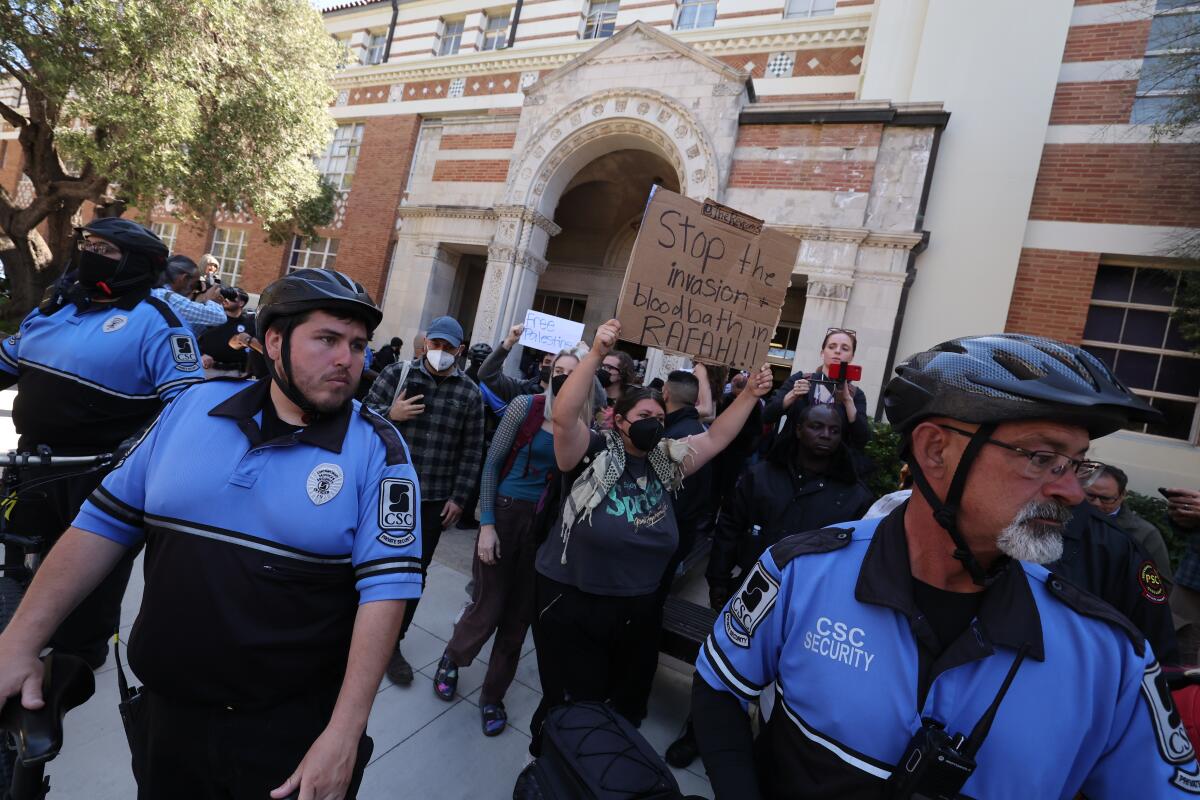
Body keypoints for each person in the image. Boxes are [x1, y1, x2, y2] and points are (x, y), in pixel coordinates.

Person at [692, 334, 1197, 799]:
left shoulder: (1110, 655)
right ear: (935, 450)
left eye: (1078, 463)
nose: (1071, 491)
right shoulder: (801, 572)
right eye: (1043, 457)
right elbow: (719, 685)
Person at [0, 267, 421, 799]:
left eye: (358, 345)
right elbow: (100, 526)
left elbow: (386, 594)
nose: (348, 360)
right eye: (328, 339)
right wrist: (18, 643)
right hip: (166, 717)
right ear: (273, 340)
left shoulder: (380, 450)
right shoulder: (191, 409)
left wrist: (344, 733)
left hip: (288, 736)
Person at [527, 318, 773, 754]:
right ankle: (551, 763)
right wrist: (597, 354)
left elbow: (716, 436)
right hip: (571, 599)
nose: (655, 424)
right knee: (568, 700)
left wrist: (751, 394)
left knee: (603, 699)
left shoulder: (666, 463)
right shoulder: (591, 452)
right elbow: (564, 415)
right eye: (644, 417)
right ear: (618, 421)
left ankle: (587, 766)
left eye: (660, 417)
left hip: (632, 607)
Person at [0, 218, 203, 669]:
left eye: (105, 250)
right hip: (33, 464)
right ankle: (21, 639)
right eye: (88, 244)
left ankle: (78, 657)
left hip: (103, 474)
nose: (90, 254)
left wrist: (135, 450)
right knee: (22, 556)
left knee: (92, 578)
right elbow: (7, 359)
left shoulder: (160, 323)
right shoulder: (57, 306)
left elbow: (185, 404)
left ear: (135, 263)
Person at [433, 346, 589, 736]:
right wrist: (486, 523)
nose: (567, 377)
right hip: (504, 512)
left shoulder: (583, 426)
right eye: (561, 370)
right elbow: (491, 464)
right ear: (550, 372)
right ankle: (452, 658)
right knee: (489, 603)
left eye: (577, 372)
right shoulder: (525, 406)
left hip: (544, 527)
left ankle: (492, 697)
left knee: (519, 617)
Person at [365, 316, 485, 686]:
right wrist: (392, 414)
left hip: (433, 500)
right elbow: (362, 419)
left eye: (448, 347)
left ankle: (391, 644)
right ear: (425, 343)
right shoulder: (398, 375)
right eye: (435, 344)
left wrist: (460, 499)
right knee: (368, 564)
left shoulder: (469, 394)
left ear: (459, 351)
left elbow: (472, 451)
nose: (440, 353)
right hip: (385, 491)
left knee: (412, 576)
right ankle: (355, 630)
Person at [706, 403, 874, 611]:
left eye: (834, 430)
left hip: (812, 602)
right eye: (816, 426)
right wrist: (718, 578)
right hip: (752, 591)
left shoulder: (854, 495)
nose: (825, 435)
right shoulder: (760, 477)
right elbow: (730, 527)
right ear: (798, 429)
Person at [762, 326, 869, 450]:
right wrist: (792, 395)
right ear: (822, 353)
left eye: (845, 348)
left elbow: (862, 438)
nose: (838, 351)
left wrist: (848, 401)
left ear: (851, 357)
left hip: (832, 464)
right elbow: (767, 416)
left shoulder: (855, 394)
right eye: (831, 346)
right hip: (790, 458)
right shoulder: (800, 379)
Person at [1087, 463, 1174, 582]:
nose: (1096, 503)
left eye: (1105, 499)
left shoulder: (1146, 534)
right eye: (1089, 495)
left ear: (1123, 495)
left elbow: (1161, 583)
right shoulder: (1066, 517)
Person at [710, 371, 763, 511]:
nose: (736, 396)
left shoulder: (754, 404)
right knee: (715, 483)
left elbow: (757, 429)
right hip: (721, 449)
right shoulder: (726, 399)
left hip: (738, 450)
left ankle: (723, 510)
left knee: (730, 486)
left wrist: (747, 449)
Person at [150, 255, 226, 334]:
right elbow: (219, 317)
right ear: (184, 278)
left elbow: (190, 330)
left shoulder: (157, 292)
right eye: (195, 283)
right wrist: (212, 300)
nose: (195, 288)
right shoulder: (168, 297)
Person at [199, 286, 255, 377]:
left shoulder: (249, 325)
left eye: (232, 297)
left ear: (241, 303)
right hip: (207, 370)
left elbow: (253, 351)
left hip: (234, 373)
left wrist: (247, 371)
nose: (226, 299)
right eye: (225, 296)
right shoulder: (211, 318)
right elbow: (193, 338)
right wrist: (200, 355)